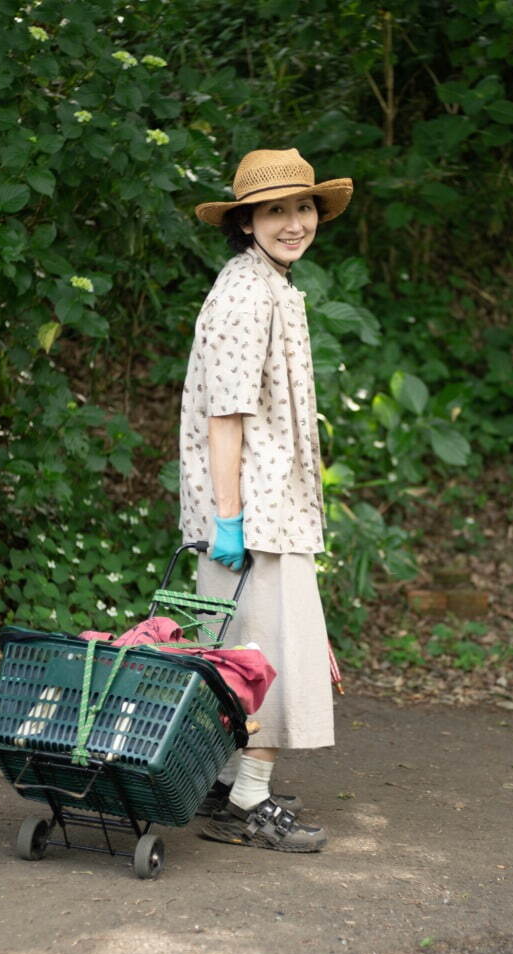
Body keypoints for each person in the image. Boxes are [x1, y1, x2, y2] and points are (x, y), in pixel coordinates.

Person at [179, 148, 353, 853]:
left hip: (265, 504)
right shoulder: (249, 290)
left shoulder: (268, 283)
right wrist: (227, 517)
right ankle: (246, 798)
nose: (294, 222)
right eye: (275, 210)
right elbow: (226, 414)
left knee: (240, 650)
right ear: (246, 221)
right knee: (268, 653)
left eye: (303, 206)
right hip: (253, 511)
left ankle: (225, 785)